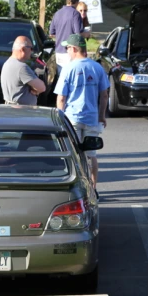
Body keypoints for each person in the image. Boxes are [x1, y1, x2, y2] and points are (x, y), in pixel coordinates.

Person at [54, 34, 109, 189]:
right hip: (91, 118)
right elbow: (104, 95)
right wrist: (101, 116)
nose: (67, 52)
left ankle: (78, 188)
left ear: (74, 49)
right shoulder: (97, 67)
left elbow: (61, 99)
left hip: (72, 119)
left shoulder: (68, 69)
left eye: (67, 48)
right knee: (91, 155)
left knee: (74, 155)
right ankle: (93, 188)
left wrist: (60, 119)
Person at [1, 36, 46, 105]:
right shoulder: (21, 67)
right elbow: (42, 87)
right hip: (22, 111)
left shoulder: (7, 63)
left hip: (11, 108)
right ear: (23, 49)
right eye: (31, 48)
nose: (32, 51)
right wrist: (37, 91)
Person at [49, 0, 84, 73]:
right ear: (76, 2)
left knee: (61, 78)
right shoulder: (75, 14)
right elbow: (77, 34)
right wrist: (86, 34)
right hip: (71, 51)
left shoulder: (57, 13)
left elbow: (51, 32)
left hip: (59, 51)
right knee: (71, 76)